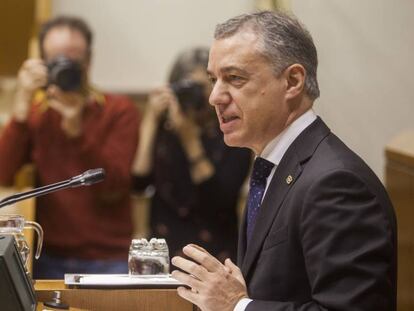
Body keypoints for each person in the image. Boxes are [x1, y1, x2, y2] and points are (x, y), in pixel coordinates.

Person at [171, 11, 397, 311]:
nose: (214, 97)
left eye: (234, 78)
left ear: (292, 81)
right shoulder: (274, 167)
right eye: (214, 80)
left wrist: (237, 306)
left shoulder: (336, 184)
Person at [0, 16, 139, 278]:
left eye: (73, 60)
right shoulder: (38, 113)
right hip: (48, 256)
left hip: (108, 258)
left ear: (89, 61)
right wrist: (20, 107)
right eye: (56, 61)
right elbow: (3, 174)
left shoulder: (119, 111)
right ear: (42, 64)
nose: (66, 69)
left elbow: (115, 187)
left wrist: (77, 132)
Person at [132, 47, 251, 262]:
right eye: (186, 87)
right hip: (164, 252)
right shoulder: (163, 127)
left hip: (215, 253)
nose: (193, 96)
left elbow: (219, 200)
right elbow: (139, 182)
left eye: (200, 87)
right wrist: (150, 121)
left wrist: (190, 140)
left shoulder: (232, 133)